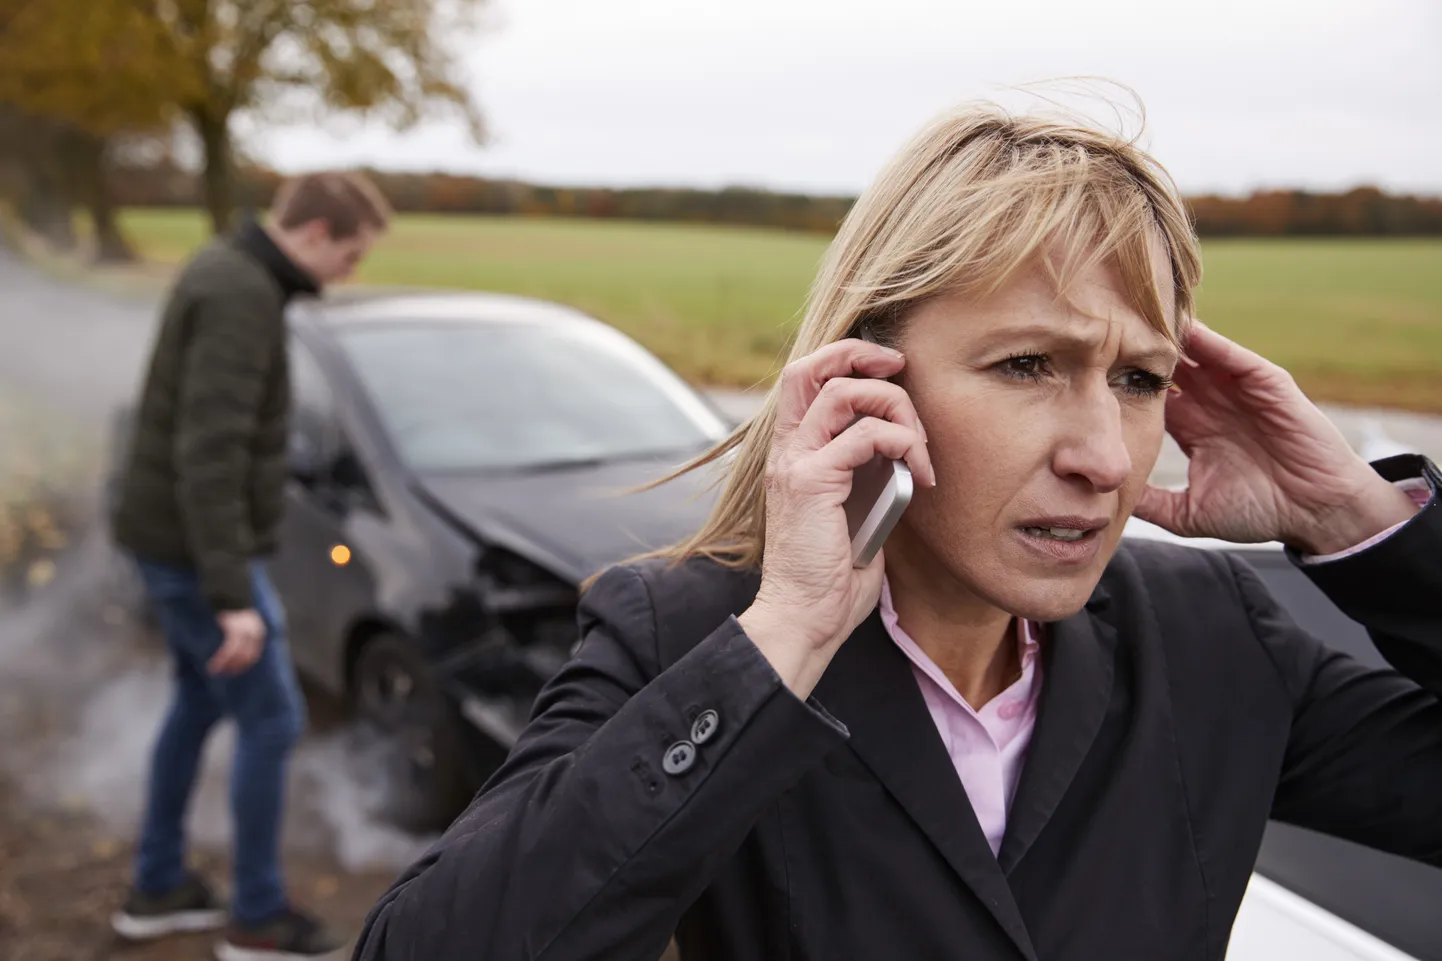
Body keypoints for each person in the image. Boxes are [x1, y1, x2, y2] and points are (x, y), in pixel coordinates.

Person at [351, 105, 1440, 961]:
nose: (1105, 454)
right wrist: (782, 639)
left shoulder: (1212, 632)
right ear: (868, 378)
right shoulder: (692, 634)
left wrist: (1361, 522)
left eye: (1138, 378)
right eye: (1026, 364)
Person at [110, 172, 390, 960]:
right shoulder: (242, 296)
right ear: (319, 234)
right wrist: (231, 594)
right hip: (195, 556)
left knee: (199, 700)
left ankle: (158, 886)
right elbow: (210, 454)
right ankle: (256, 919)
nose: (351, 272)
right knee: (272, 716)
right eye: (354, 254)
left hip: (174, 543)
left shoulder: (232, 271)